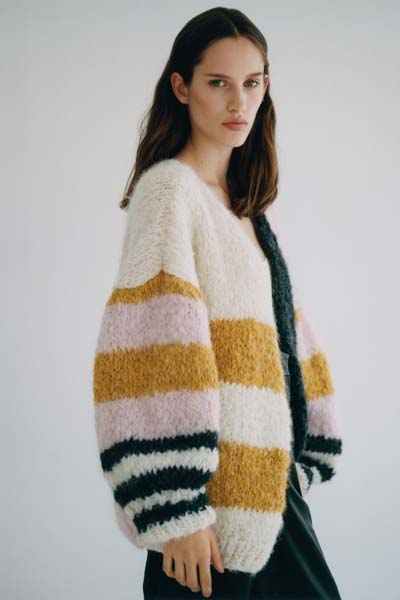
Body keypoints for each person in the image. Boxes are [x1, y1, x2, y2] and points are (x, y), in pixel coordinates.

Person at [92, 7, 343, 599]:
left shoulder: (242, 206)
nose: (239, 102)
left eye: (252, 83)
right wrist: (174, 509)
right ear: (182, 88)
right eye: (218, 83)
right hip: (203, 521)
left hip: (266, 496)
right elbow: (147, 357)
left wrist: (301, 457)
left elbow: (281, 343)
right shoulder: (170, 194)